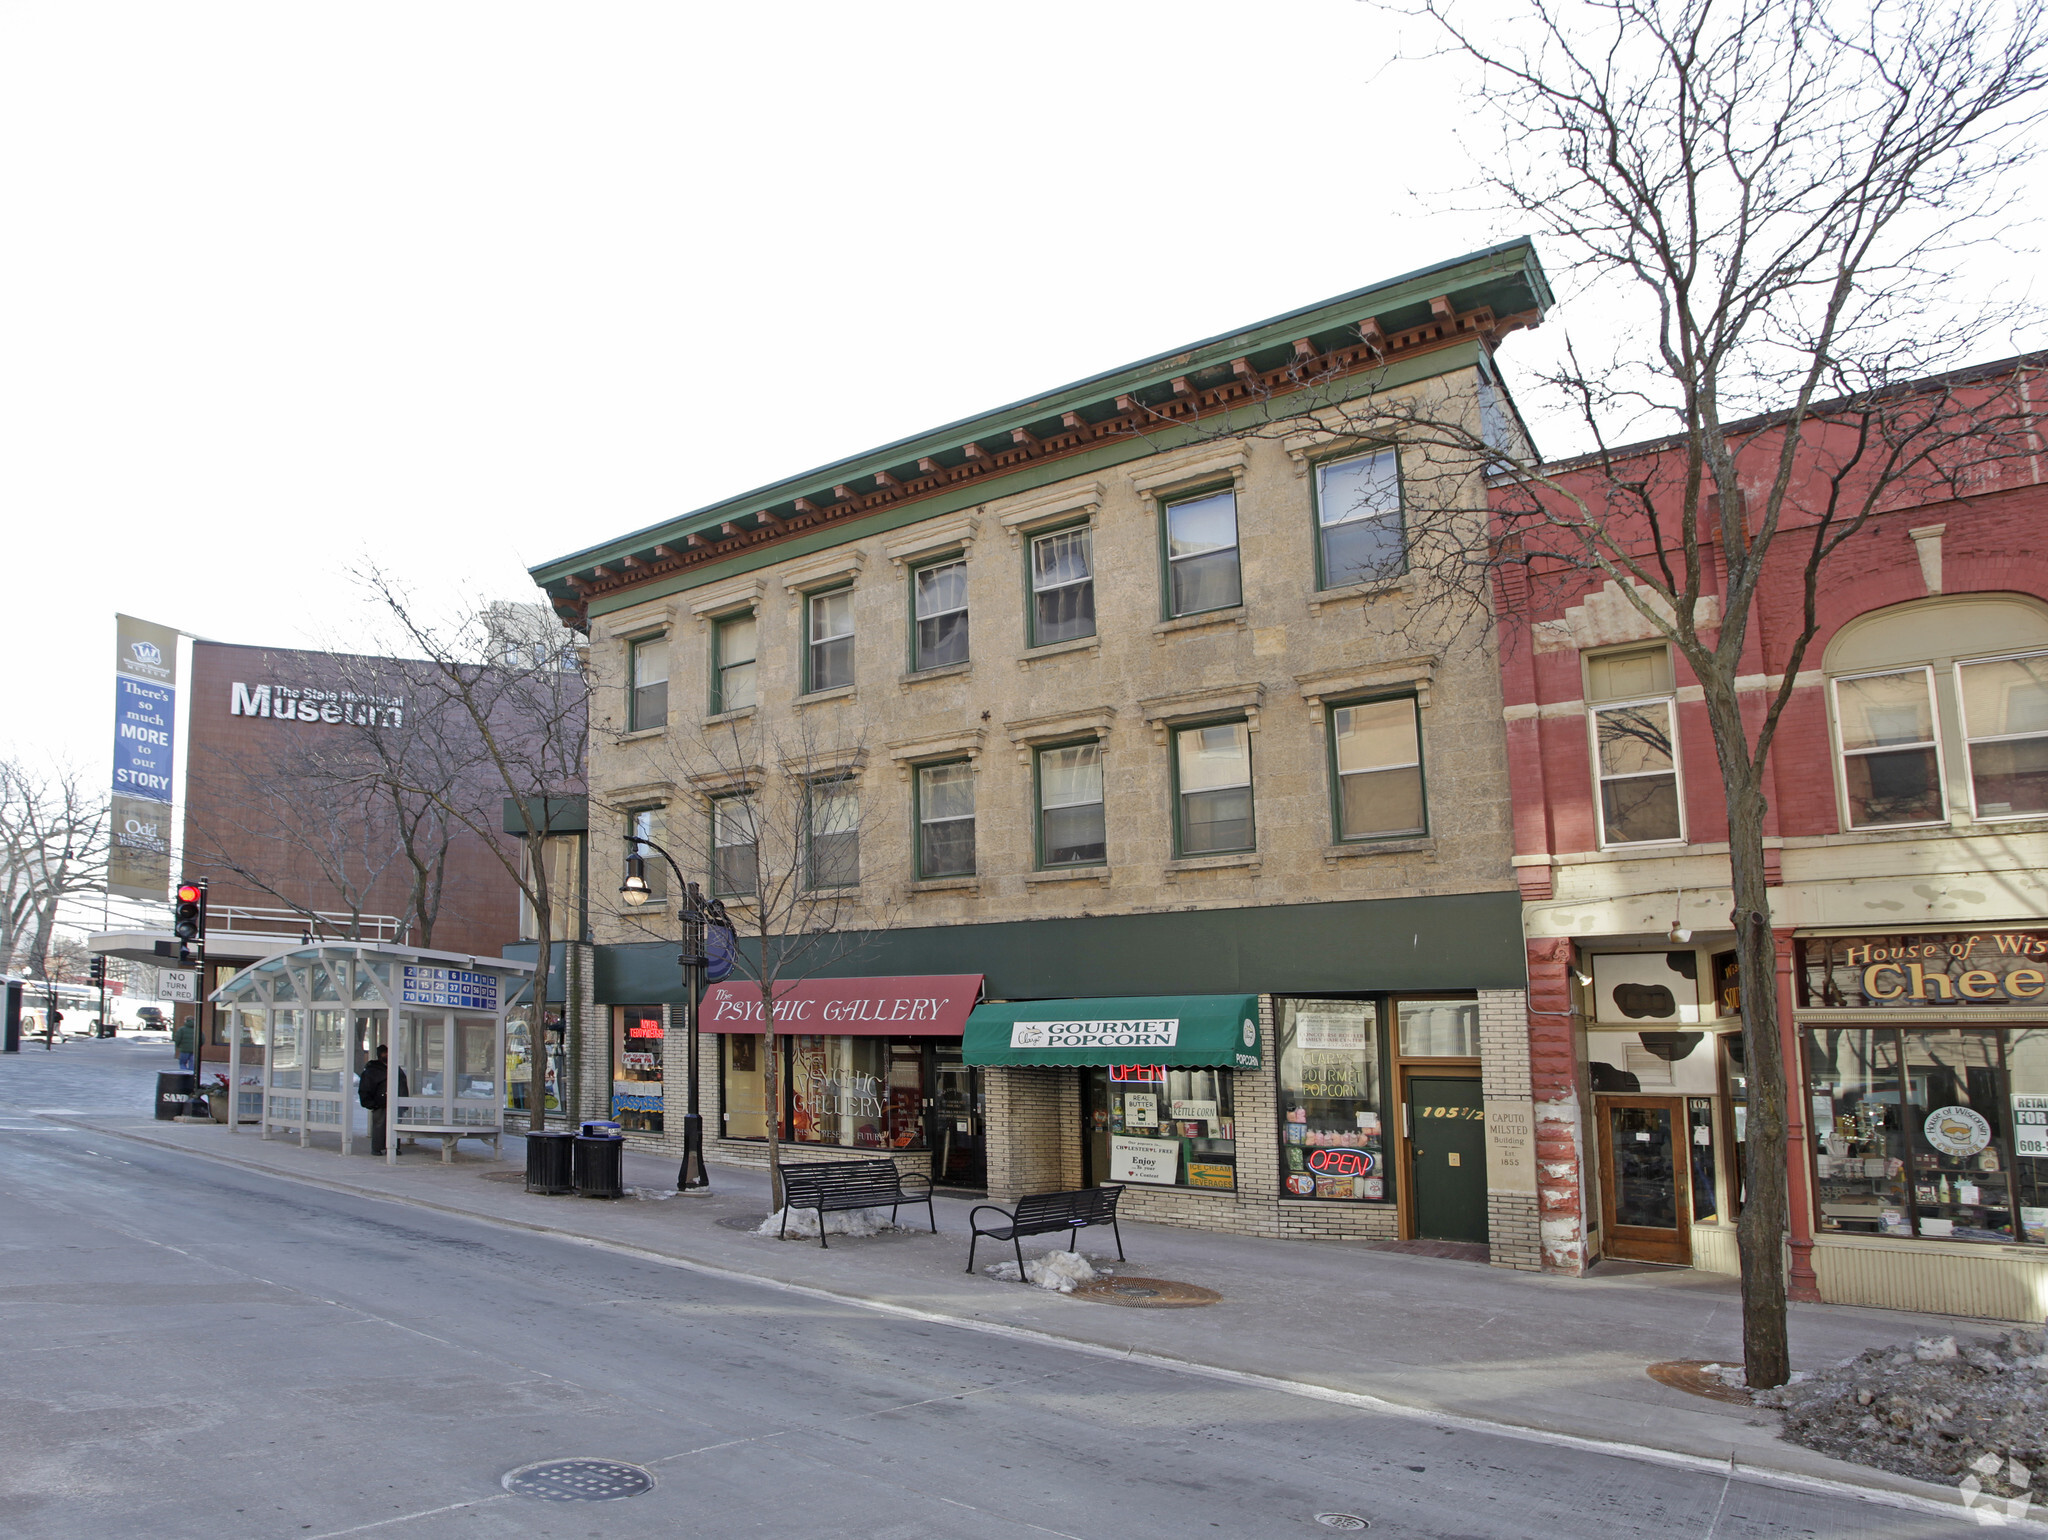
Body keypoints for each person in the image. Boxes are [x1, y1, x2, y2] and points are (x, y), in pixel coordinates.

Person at [359, 1045, 407, 1156]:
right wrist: (371, 1103)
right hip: (380, 1103)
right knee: (380, 1124)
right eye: (385, 1053)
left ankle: (393, 1146)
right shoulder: (373, 1070)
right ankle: (377, 1147)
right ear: (380, 1055)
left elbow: (403, 1084)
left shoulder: (394, 1068)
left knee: (395, 1124)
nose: (387, 1055)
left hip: (395, 1102)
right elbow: (366, 1087)